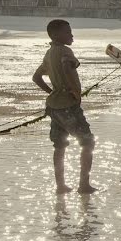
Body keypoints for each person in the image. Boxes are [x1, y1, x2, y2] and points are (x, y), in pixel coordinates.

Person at [32, 19, 97, 194]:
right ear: (55, 35)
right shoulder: (66, 51)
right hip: (68, 105)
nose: (71, 35)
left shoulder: (49, 52)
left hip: (54, 106)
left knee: (60, 145)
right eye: (67, 32)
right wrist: (74, 92)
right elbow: (67, 67)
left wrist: (52, 92)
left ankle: (60, 186)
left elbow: (36, 78)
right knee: (88, 142)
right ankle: (84, 185)